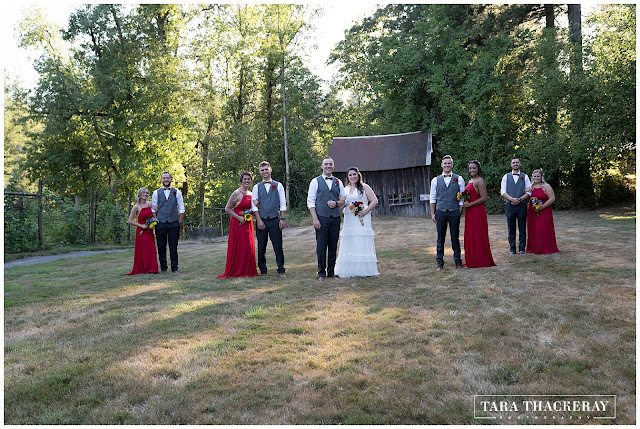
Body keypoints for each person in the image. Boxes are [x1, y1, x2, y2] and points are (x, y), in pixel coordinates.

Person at [334, 167, 380, 278]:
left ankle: (364, 269)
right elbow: (342, 203)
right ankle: (349, 269)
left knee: (361, 240)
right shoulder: (345, 189)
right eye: (350, 175)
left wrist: (365, 211)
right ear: (347, 177)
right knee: (351, 240)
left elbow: (374, 201)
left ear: (358, 175)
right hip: (350, 218)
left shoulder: (364, 187)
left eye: (354, 174)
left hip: (362, 217)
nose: (352, 177)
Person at [307, 156, 347, 280]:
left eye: (330, 164)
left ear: (333, 166)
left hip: (335, 218)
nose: (328, 166)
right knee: (321, 246)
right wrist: (315, 219)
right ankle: (321, 273)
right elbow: (310, 201)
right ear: (322, 166)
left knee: (333, 246)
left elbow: (343, 200)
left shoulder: (338, 181)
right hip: (321, 218)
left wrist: (336, 203)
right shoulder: (315, 181)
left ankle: (331, 272)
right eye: (326, 164)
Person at [219, 171, 258, 278]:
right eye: (245, 179)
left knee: (248, 247)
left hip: (248, 224)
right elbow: (227, 208)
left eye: (248, 179)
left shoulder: (252, 194)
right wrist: (239, 217)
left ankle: (248, 271)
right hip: (237, 223)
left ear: (251, 180)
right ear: (241, 180)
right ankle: (237, 270)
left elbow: (253, 209)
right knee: (239, 247)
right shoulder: (236, 193)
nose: (247, 181)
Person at [251, 161, 287, 278]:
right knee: (261, 246)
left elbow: (282, 203)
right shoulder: (256, 187)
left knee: (278, 246)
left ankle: (281, 269)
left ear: (270, 169)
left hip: (274, 219)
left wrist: (282, 218)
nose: (265, 172)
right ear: (260, 172)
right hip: (261, 220)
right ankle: (263, 270)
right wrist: (259, 220)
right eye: (262, 170)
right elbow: (254, 205)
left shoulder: (278, 185)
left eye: (266, 169)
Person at [430, 155, 465, 271]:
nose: (447, 165)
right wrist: (432, 214)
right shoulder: (435, 180)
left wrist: (460, 210)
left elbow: (462, 197)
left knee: (455, 237)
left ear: (452, 165)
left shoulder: (459, 179)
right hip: (440, 211)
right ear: (442, 165)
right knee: (441, 238)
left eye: (449, 163)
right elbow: (432, 198)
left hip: (454, 211)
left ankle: (458, 261)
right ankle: (439, 262)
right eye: (445, 163)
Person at [462, 161, 496, 268]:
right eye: (470, 168)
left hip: (477, 211)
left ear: (478, 169)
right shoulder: (470, 180)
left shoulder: (480, 181)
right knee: (471, 235)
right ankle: (472, 259)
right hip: (469, 212)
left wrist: (470, 204)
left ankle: (480, 260)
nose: (472, 170)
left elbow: (484, 198)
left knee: (478, 234)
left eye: (474, 168)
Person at [151, 172, 185, 272]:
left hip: (174, 223)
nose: (166, 179)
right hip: (160, 223)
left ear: (171, 179)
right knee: (161, 246)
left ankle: (174, 268)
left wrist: (179, 222)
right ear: (161, 180)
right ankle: (163, 267)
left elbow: (181, 208)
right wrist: (156, 220)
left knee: (173, 246)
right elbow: (154, 209)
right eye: (164, 178)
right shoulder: (156, 192)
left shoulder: (177, 192)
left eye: (167, 178)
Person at [500, 157, 531, 254]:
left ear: (520, 164)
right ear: (511, 164)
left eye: (517, 162)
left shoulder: (525, 176)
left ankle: (522, 248)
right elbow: (503, 192)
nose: (515, 164)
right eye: (513, 162)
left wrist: (520, 199)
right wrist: (511, 199)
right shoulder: (506, 176)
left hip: (522, 205)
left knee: (522, 227)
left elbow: (529, 191)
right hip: (510, 205)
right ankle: (512, 249)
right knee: (511, 228)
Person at [526, 169, 559, 254]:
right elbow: (526, 198)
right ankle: (534, 248)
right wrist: (531, 199)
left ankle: (545, 248)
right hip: (532, 211)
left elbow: (552, 198)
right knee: (533, 229)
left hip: (544, 210)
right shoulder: (530, 187)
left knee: (542, 228)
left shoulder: (546, 186)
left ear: (541, 177)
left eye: (538, 176)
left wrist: (542, 207)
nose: (536, 178)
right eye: (535, 176)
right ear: (532, 177)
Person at [127, 187, 159, 275]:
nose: (145, 194)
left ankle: (152, 269)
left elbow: (154, 215)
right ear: (140, 194)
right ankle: (143, 269)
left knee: (151, 249)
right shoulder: (136, 206)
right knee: (143, 251)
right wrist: (141, 225)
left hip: (149, 231)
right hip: (141, 232)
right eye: (144, 193)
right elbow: (129, 220)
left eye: (147, 193)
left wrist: (153, 218)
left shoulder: (150, 204)